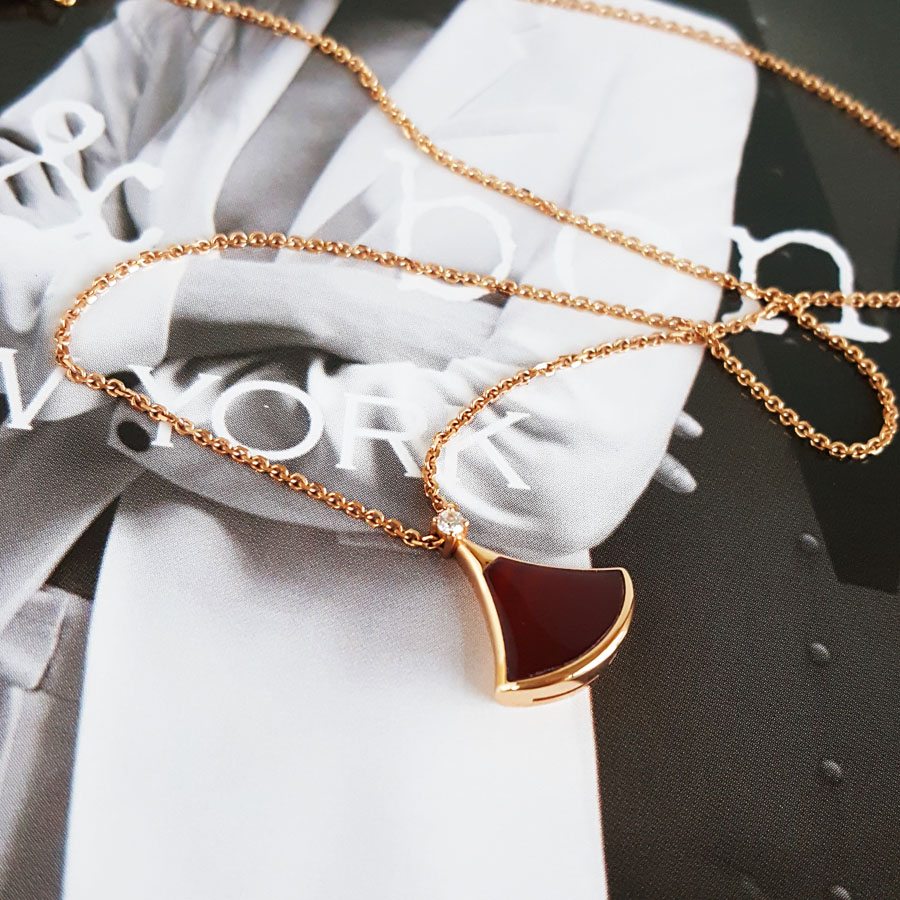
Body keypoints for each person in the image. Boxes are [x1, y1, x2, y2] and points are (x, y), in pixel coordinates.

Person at [0, 0, 755, 897]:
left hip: (345, 727)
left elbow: (550, 468)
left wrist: (99, 353)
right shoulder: (180, 19)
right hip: (28, 604)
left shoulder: (662, 58)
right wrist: (306, 309)